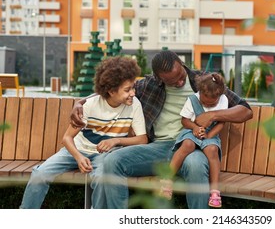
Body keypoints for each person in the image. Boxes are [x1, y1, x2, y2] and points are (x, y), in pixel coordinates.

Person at [70, 50, 253, 209]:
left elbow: (245, 110)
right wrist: (81, 102)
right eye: (173, 81)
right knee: (112, 161)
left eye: (180, 76)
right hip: (159, 148)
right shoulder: (149, 85)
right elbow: (114, 89)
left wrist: (214, 115)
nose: (180, 82)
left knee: (196, 165)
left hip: (192, 146)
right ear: (159, 78)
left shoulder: (204, 81)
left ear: (181, 64)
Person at [20, 56, 148, 209]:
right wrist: (79, 157)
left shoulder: (134, 105)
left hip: (104, 156)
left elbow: (142, 139)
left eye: (133, 87)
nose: (133, 93)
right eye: (127, 90)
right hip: (76, 150)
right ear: (111, 91)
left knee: (103, 180)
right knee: (40, 174)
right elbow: (67, 138)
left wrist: (115, 141)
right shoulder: (89, 105)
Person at [160, 72, 227, 208]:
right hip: (192, 131)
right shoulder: (192, 100)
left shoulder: (223, 100)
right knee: (187, 144)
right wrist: (195, 127)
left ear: (219, 96)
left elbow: (221, 123)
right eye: (204, 102)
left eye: (211, 104)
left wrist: (210, 135)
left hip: (210, 134)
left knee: (212, 150)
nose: (207, 105)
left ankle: (214, 192)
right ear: (200, 92)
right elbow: (184, 120)